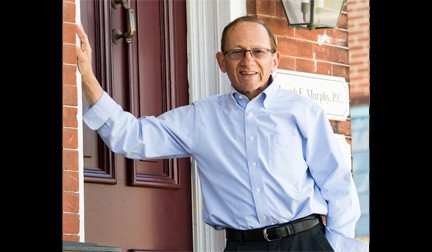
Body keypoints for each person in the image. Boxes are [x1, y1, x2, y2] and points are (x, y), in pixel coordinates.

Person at [76, 15, 368, 252]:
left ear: (274, 59)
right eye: (237, 52)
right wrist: (87, 76)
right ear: (221, 60)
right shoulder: (200, 118)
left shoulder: (303, 111)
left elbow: (336, 182)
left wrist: (338, 246)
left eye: (258, 51)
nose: (248, 61)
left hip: (305, 243)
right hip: (242, 246)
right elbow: (133, 137)